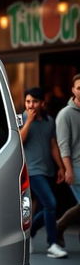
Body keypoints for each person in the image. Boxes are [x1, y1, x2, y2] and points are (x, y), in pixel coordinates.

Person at [20, 87, 67, 259]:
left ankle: (29, 234)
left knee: (47, 206)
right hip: (31, 170)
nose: (31, 105)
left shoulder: (49, 120)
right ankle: (52, 244)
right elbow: (19, 140)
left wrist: (61, 167)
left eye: (34, 102)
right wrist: (29, 122)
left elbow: (53, 144)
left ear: (42, 103)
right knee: (51, 203)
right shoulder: (20, 118)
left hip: (47, 170)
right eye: (28, 101)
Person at [56, 73, 80, 244]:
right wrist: (68, 170)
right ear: (73, 90)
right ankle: (59, 225)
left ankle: (59, 226)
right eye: (79, 88)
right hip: (76, 167)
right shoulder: (65, 114)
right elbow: (63, 145)